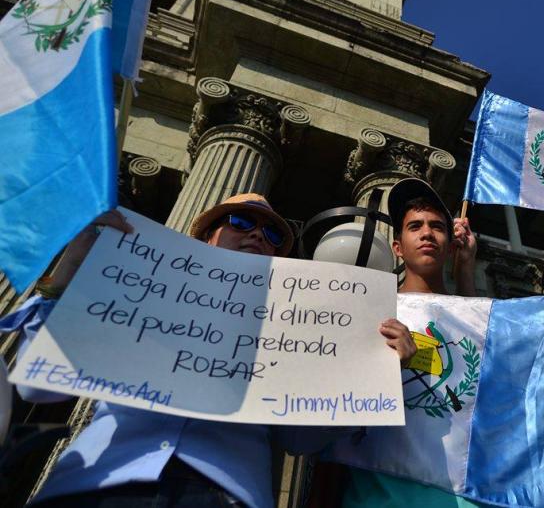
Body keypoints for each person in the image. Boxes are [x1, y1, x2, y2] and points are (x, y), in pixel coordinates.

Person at [2, 193, 416, 508]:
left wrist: (373, 370)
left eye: (272, 234)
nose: (258, 234)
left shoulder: (295, 328)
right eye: (241, 221)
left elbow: (301, 439)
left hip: (221, 492)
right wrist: (68, 274)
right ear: (206, 234)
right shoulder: (138, 290)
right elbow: (41, 392)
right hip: (98, 480)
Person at [340, 177, 481, 507]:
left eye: (437, 226)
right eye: (415, 226)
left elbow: (476, 328)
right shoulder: (371, 311)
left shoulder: (474, 315)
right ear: (398, 247)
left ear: (450, 245)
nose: (427, 233)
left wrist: (466, 266)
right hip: (377, 493)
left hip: (462, 497)